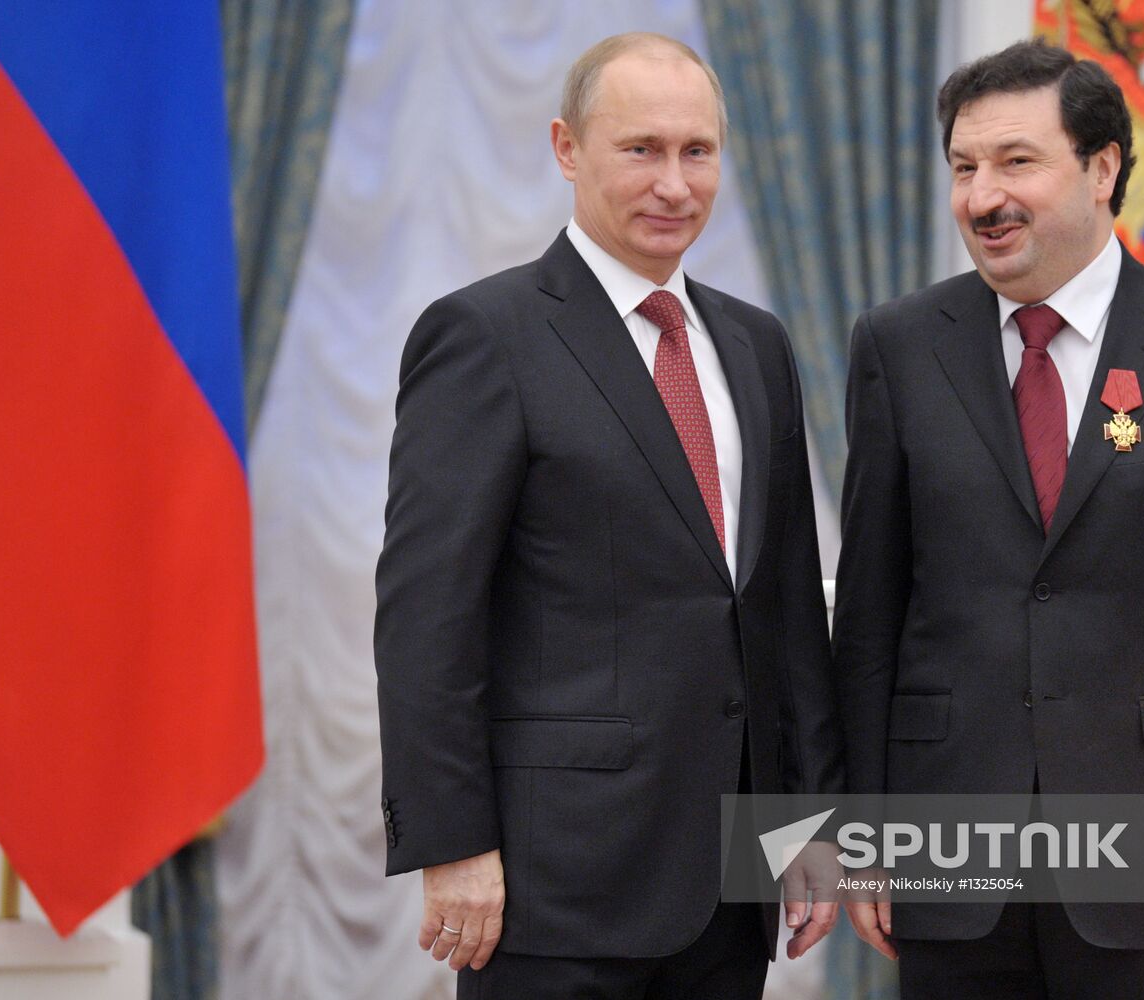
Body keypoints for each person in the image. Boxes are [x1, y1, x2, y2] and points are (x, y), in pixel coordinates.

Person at [833, 39, 1144, 998]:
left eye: (1016, 162)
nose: (982, 197)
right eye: (963, 169)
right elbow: (869, 616)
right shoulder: (896, 346)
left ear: (1102, 169)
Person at [374, 32, 844, 999]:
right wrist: (453, 843)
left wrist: (803, 826)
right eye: (640, 150)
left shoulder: (755, 345)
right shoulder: (483, 336)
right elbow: (428, 616)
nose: (674, 183)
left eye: (696, 152)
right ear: (566, 148)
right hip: (554, 888)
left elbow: (786, 611)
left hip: (728, 886)